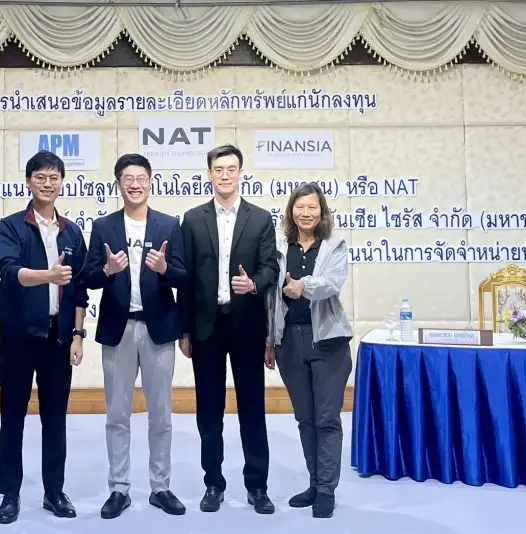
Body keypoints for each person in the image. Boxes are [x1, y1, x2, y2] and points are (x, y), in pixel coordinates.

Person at [84, 154, 187, 519]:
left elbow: (183, 276)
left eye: (141, 178)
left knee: (161, 414)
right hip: (119, 329)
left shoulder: (169, 224)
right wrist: (108, 269)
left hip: (159, 329)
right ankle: (119, 488)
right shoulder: (104, 226)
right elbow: (88, 277)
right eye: (128, 178)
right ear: (118, 183)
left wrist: (164, 268)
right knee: (117, 414)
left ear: (150, 181)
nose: (135, 184)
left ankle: (161, 487)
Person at [177, 144, 279, 514]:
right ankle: (213, 483)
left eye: (231, 169)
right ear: (209, 174)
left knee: (252, 408)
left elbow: (271, 268)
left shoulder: (260, 218)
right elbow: (185, 278)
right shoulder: (192, 219)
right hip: (206, 327)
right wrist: (184, 330)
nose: (225, 175)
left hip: (247, 325)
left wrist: (254, 284)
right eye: (218, 169)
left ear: (240, 173)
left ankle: (257, 486)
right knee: (209, 411)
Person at [0, 150, 89, 524]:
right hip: (18, 338)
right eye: (40, 177)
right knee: (12, 416)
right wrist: (47, 276)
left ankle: (54, 492)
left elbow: (78, 289)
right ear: (29, 182)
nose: (47, 184)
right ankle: (10, 494)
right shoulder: (11, 226)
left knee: (55, 418)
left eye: (54, 178)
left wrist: (78, 334)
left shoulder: (71, 232)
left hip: (58, 339)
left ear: (62, 183)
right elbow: (8, 271)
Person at [265, 181, 353, 519]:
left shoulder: (334, 246)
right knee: (305, 418)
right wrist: (270, 340)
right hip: (289, 341)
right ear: (291, 211)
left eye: (312, 207)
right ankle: (314, 483)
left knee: (327, 418)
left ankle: (327, 490)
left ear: (322, 211)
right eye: (299, 207)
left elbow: (332, 283)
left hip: (328, 342)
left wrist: (304, 286)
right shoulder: (279, 248)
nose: (306, 213)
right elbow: (271, 298)